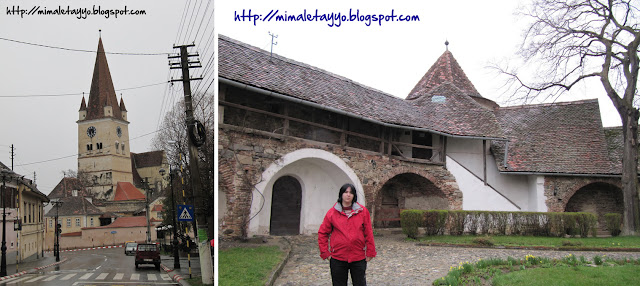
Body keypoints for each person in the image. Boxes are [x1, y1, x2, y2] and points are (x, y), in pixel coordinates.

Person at [318, 183, 376, 286]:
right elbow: (323, 233)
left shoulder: (362, 212)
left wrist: (370, 251)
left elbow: (368, 232)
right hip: (338, 258)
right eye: (346, 192)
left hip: (358, 257)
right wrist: (325, 253)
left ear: (354, 195)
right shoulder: (332, 213)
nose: (348, 195)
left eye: (351, 193)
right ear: (341, 194)